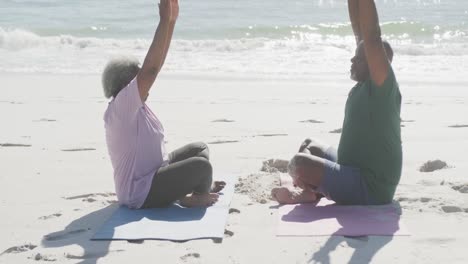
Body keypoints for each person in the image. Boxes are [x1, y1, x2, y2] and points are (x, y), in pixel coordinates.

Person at [272, 0, 402, 205]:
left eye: (358, 58)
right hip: (349, 168)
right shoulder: (365, 82)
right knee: (309, 144)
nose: (352, 59)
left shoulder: (381, 89)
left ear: (375, 64)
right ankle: (313, 190)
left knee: (299, 162)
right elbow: (361, 32)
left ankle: (308, 192)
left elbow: (371, 36)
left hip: (369, 186)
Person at [102, 0, 225, 209]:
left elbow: (156, 66)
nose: (145, 82)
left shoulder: (133, 105)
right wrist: (162, 21)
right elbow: (151, 70)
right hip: (140, 192)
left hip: (157, 171)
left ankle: (188, 190)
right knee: (201, 167)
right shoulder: (122, 108)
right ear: (125, 84)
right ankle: (195, 197)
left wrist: (171, 22)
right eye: (136, 79)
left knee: (199, 149)